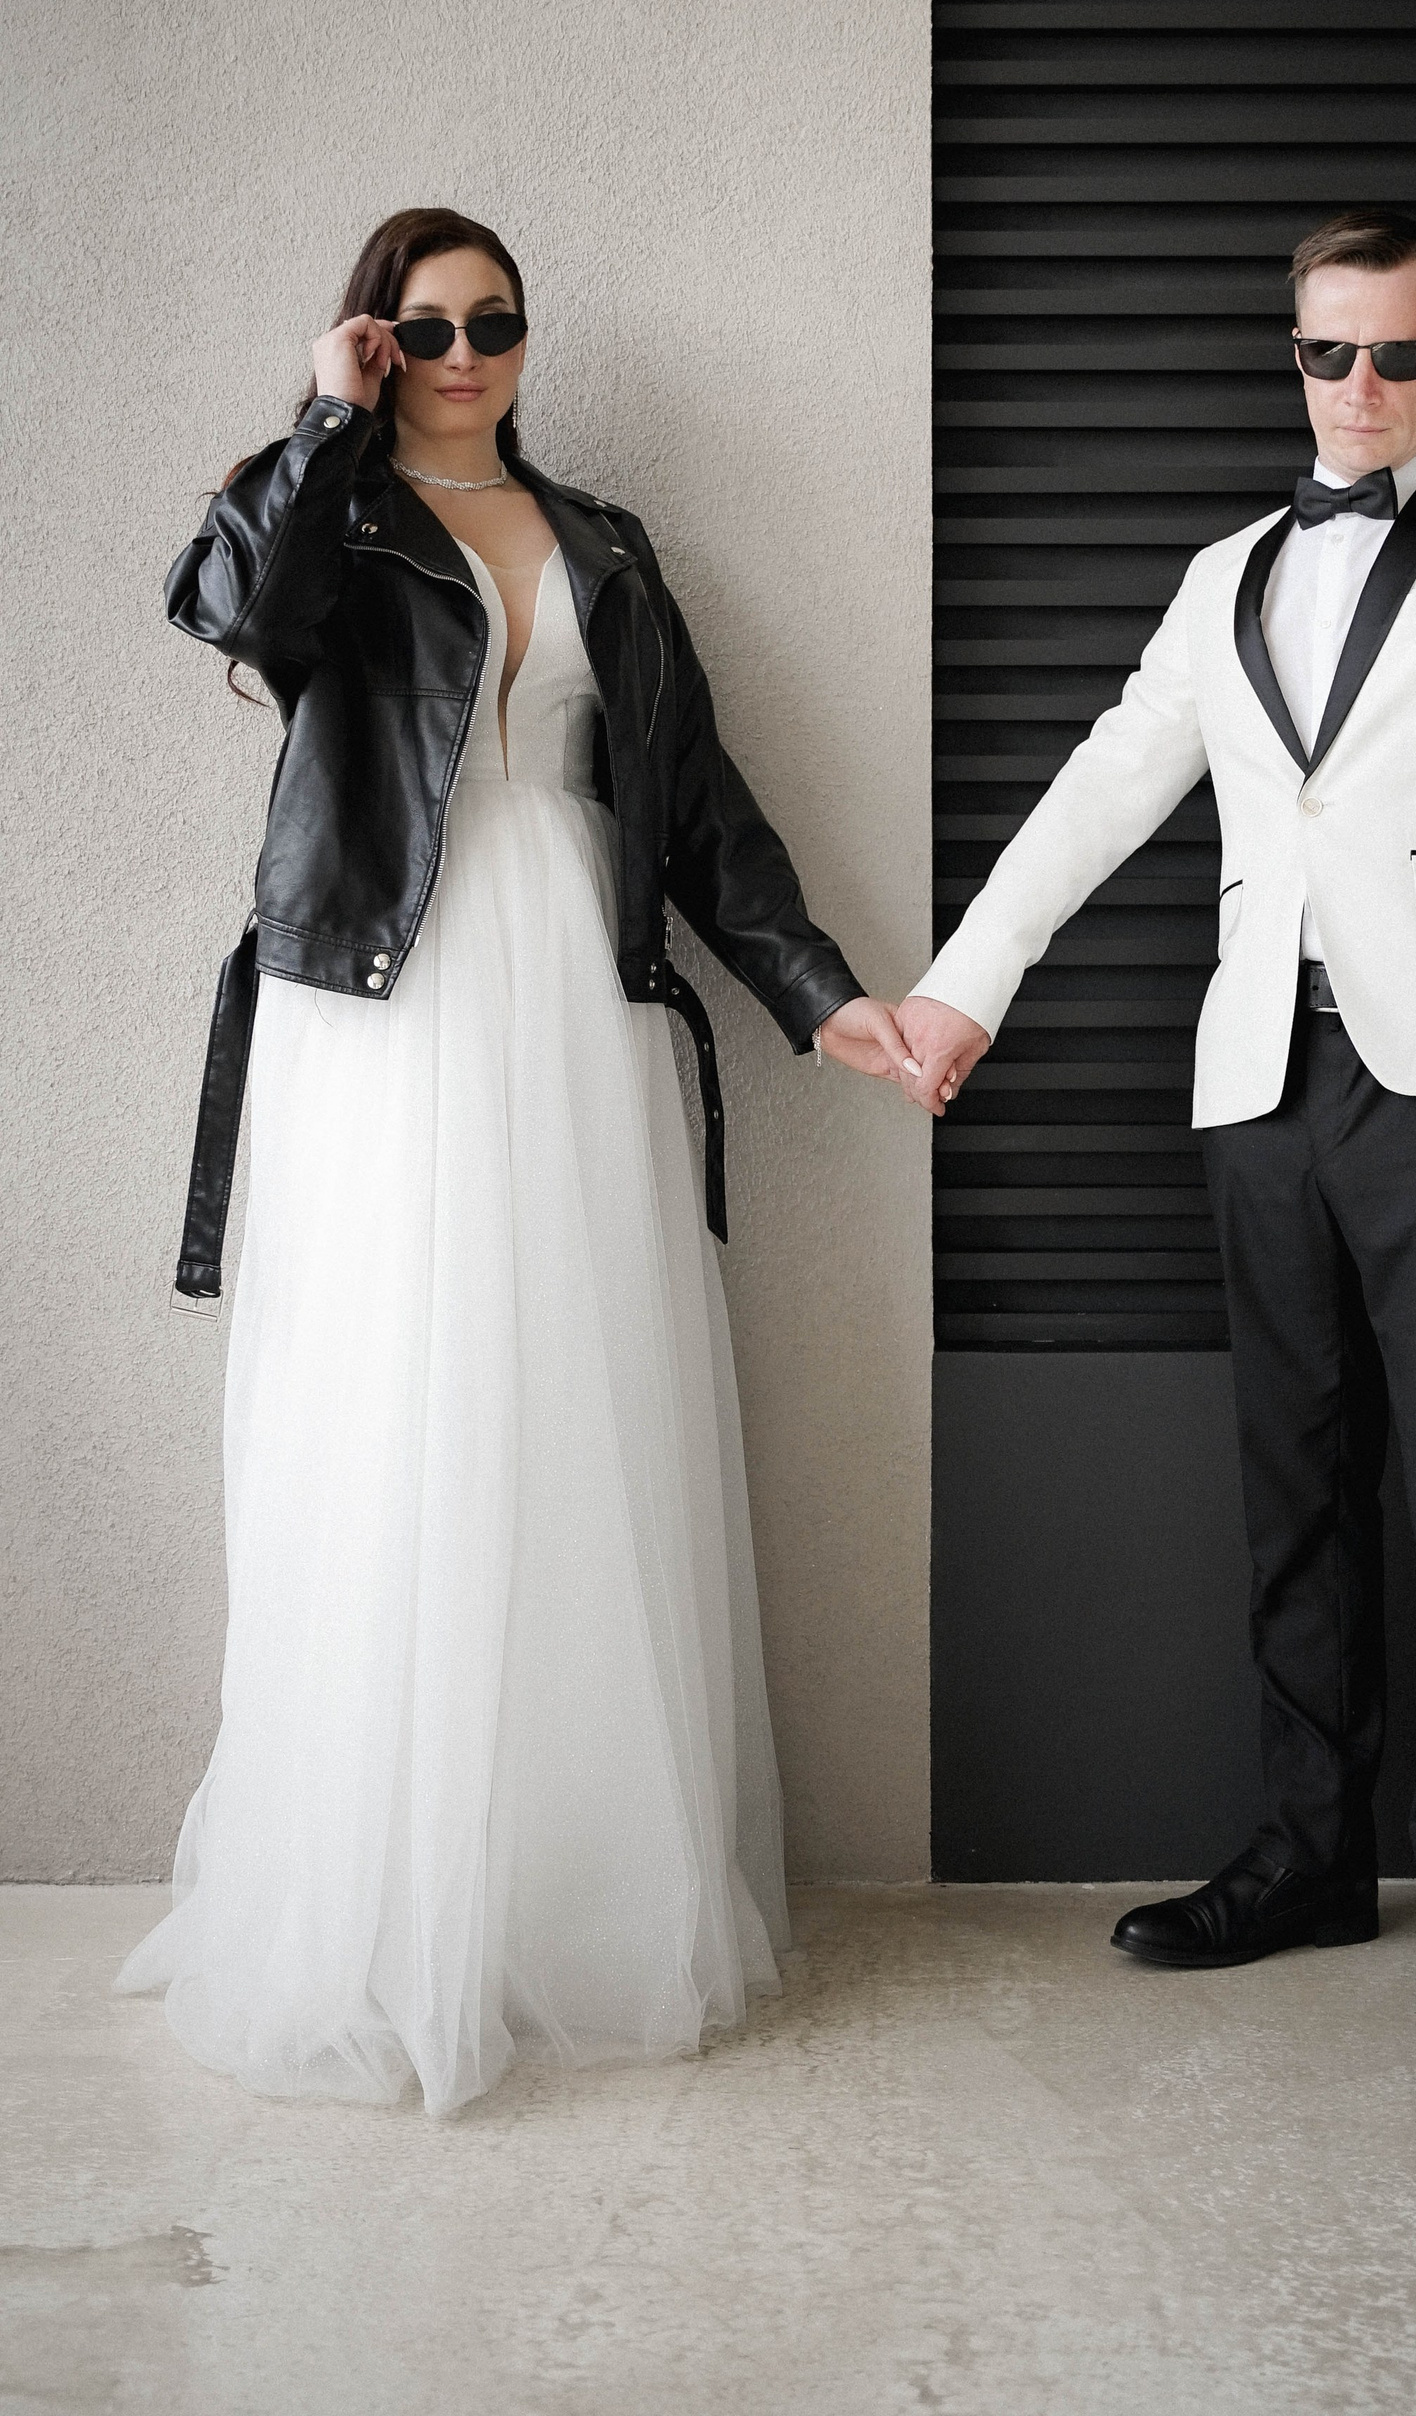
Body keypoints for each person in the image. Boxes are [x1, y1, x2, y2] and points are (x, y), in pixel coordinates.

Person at [118, 207, 910, 2115]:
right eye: (428, 326)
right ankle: (381, 1909)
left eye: (497, 324)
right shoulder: (320, 510)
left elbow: (696, 804)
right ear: (374, 336)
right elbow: (238, 619)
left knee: (567, 1416)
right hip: (383, 1005)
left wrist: (818, 997)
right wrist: (326, 421)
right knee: (394, 1412)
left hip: (575, 999)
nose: (467, 355)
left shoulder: (608, 545)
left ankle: (558, 1898)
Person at [893, 208, 1416, 2096]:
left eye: (1404, 352)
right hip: (1263, 1078)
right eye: (1331, 351)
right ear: (1295, 356)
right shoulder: (1226, 569)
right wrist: (965, 988)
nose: (1360, 386)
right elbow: (1107, 780)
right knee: (1299, 1499)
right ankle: (1313, 1859)